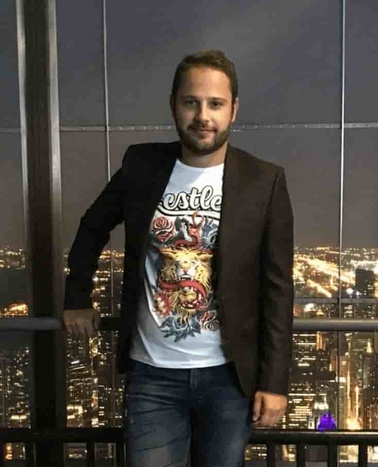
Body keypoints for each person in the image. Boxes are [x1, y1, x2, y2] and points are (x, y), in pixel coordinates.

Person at [63, 49, 294, 467]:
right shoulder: (142, 165)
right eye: (191, 102)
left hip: (230, 377)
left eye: (215, 104)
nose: (203, 115)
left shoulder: (265, 180)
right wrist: (77, 295)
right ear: (175, 105)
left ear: (233, 110)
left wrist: (275, 382)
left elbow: (279, 289)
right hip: (151, 375)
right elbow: (93, 225)